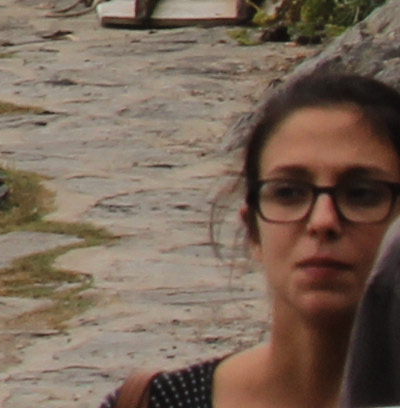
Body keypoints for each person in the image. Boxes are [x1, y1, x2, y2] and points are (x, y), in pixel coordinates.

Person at [103, 65, 400, 408]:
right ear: (253, 229)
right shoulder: (162, 403)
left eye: (362, 194)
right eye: (288, 192)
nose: (323, 221)